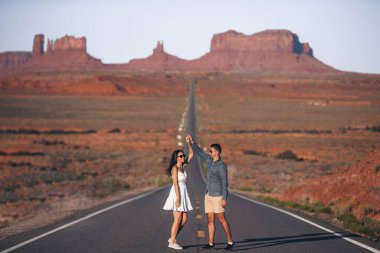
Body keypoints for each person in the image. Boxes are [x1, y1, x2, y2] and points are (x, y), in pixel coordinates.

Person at [187, 135, 234, 250]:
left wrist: (224, 198)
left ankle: (230, 242)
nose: (209, 152)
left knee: (221, 218)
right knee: (209, 219)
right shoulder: (209, 160)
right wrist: (192, 142)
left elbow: (224, 183)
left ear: (217, 152)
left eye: (211, 151)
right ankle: (211, 243)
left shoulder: (221, 166)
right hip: (208, 195)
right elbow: (199, 153)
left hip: (217, 196)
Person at [163, 136, 194, 250]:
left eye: (183, 156)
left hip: (183, 191)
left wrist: (189, 143)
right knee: (177, 219)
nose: (183, 157)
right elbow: (175, 183)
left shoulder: (183, 166)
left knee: (184, 219)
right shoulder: (175, 168)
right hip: (177, 193)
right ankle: (172, 242)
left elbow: (191, 155)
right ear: (176, 158)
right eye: (181, 156)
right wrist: (178, 198)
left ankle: (172, 237)